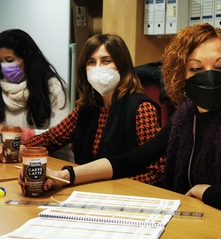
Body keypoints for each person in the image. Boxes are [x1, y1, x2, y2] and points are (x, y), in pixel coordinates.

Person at [41, 23, 221, 215]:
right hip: (196, 220)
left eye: (220, 68)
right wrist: (66, 176)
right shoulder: (187, 115)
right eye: (196, 69)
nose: (209, 76)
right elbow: (132, 159)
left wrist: (201, 190)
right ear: (182, 74)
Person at [10, 33, 164, 186]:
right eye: (91, 62)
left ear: (122, 65)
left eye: (106, 61)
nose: (97, 68)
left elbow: (157, 171)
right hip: (85, 188)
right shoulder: (88, 107)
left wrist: (111, 187)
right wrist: (22, 148)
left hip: (124, 192)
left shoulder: (142, 109)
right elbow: (52, 138)